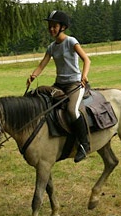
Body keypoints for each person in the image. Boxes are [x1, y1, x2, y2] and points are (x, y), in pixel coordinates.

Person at [27, 10, 91, 163]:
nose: (51, 29)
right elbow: (43, 64)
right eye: (49, 26)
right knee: (43, 102)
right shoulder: (51, 47)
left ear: (62, 27)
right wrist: (33, 75)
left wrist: (84, 76)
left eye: (54, 26)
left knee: (72, 110)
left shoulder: (71, 41)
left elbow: (87, 60)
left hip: (74, 83)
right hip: (59, 84)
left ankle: (84, 144)